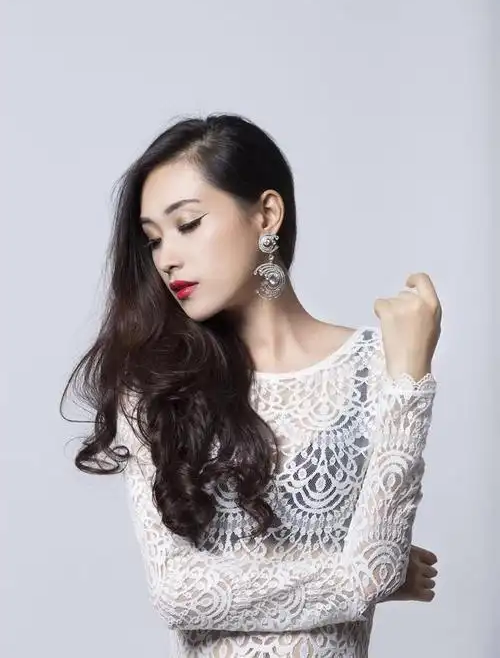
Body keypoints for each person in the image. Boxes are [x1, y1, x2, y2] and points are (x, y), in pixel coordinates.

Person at [60, 114, 441, 658]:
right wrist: (357, 578)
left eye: (188, 223)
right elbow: (177, 592)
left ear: (266, 214)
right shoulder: (157, 388)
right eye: (153, 240)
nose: (167, 258)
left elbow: (375, 570)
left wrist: (410, 380)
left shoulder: (380, 366)